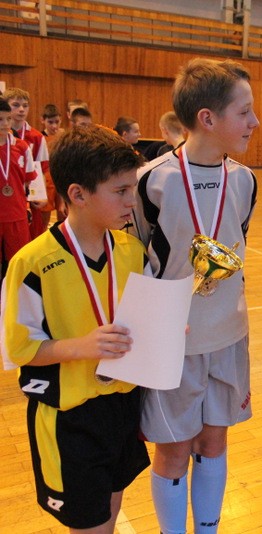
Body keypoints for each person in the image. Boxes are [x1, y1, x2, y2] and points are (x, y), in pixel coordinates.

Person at [133, 57, 260, 534]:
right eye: (244, 112)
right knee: (173, 450)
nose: (255, 121)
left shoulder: (245, 180)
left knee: (214, 442)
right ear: (207, 118)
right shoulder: (152, 180)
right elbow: (134, 259)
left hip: (229, 335)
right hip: (172, 343)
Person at [0, 125, 149, 532]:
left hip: (122, 406)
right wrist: (82, 346)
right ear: (78, 194)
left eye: (133, 189)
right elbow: (20, 350)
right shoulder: (32, 263)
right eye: (120, 191)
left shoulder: (132, 251)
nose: (131, 201)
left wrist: (164, 330)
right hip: (71, 419)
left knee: (111, 508)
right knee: (88, 524)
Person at [5, 87, 51, 238]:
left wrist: (41, 194)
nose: (21, 109)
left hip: (30, 195)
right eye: (16, 105)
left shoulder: (36, 137)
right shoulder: (2, 135)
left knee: (30, 237)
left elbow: (41, 169)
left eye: (25, 105)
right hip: (6, 195)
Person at [0, 98, 36, 283]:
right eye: (0, 119)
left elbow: (28, 180)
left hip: (17, 215)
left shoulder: (21, 147)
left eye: (8, 119)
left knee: (18, 264)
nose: (5, 124)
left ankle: (14, 296)